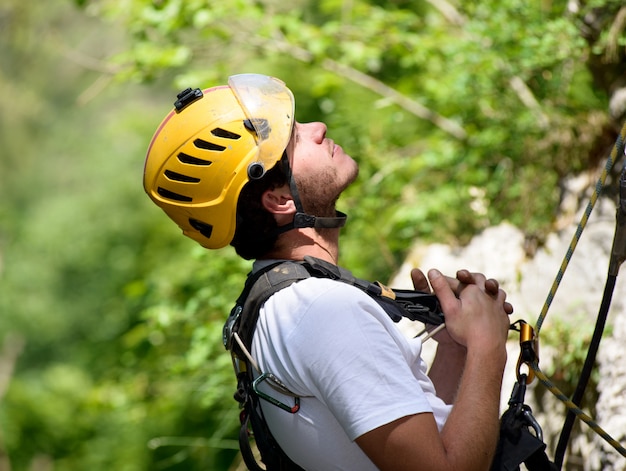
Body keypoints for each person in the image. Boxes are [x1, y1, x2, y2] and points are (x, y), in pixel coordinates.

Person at [143, 73, 512, 470]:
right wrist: (490, 348)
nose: (318, 129)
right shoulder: (324, 311)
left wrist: (458, 346)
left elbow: (416, 435)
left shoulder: (281, 304)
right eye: (295, 138)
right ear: (280, 199)